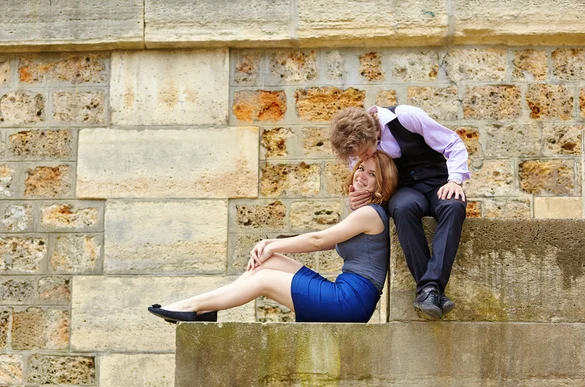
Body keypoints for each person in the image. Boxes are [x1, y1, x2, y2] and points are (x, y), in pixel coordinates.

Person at [148, 151, 398, 324]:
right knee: (268, 262)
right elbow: (325, 241)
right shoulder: (366, 212)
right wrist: (272, 249)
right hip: (346, 294)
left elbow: (318, 241)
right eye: (361, 168)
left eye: (372, 174)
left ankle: (191, 306)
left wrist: (272, 243)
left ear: (381, 184)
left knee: (265, 278)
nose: (361, 175)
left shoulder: (369, 214)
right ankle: (207, 307)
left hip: (350, 302)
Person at [329, 105, 470, 320]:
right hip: (405, 191)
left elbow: (452, 142)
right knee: (403, 208)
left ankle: (428, 289)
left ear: (369, 133)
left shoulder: (405, 117)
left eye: (364, 151)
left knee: (454, 205)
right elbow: (364, 182)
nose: (364, 156)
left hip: (438, 183)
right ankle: (431, 290)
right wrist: (357, 199)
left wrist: (455, 181)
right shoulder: (357, 148)